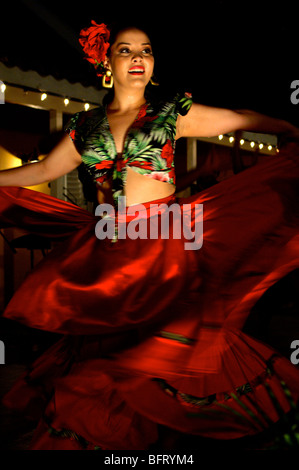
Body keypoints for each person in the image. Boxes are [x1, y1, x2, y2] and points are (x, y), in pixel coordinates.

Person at [1, 21, 299, 450]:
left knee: (154, 351)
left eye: (146, 50)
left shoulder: (168, 111)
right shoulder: (84, 127)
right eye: (126, 50)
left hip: (163, 245)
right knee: (106, 353)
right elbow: (45, 170)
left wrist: (285, 127)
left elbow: (238, 118)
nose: (138, 57)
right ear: (108, 63)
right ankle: (113, 438)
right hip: (108, 249)